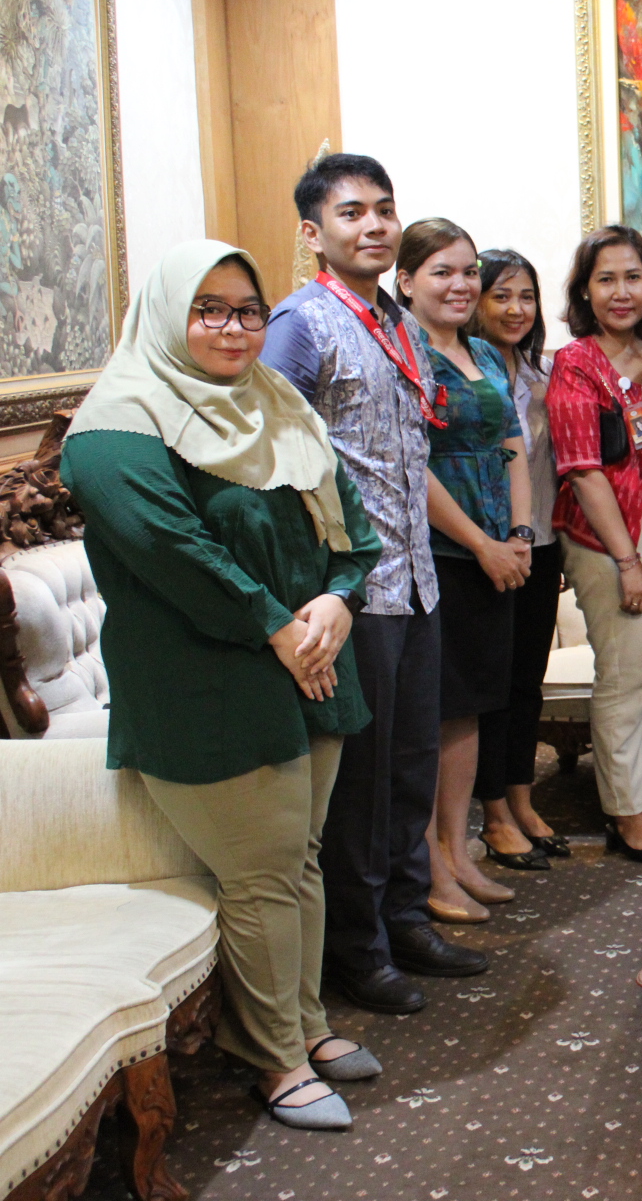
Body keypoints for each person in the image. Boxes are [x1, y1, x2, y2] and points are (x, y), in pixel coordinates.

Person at [64, 240, 384, 1130]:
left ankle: (307, 1023)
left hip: (310, 665)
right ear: (167, 314)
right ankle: (276, 1059)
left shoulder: (276, 404)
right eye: (209, 308)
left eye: (247, 309)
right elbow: (176, 553)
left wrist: (338, 601)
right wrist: (281, 627)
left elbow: (348, 531)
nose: (233, 327)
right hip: (204, 680)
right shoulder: (115, 427)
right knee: (262, 877)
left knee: (300, 859)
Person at [262, 153, 488, 1014]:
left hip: (418, 580)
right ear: (316, 234)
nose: (376, 225)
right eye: (353, 213)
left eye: (385, 210)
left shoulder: (395, 317)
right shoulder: (302, 324)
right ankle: (356, 953)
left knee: (409, 766)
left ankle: (406, 919)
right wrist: (317, 584)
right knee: (359, 784)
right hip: (354, 592)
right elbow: (275, 459)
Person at [394, 219, 534, 921]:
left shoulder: (481, 349)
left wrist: (520, 533)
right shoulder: (404, 353)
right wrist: (482, 543)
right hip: (440, 557)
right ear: (407, 281)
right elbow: (410, 465)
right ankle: (427, 868)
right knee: (431, 713)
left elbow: (512, 444)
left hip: (496, 555)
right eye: (442, 271)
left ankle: (458, 851)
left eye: (468, 270)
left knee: (473, 708)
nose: (460, 284)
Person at [547, 225, 642, 862]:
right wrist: (628, 562)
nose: (621, 291)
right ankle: (623, 813)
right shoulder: (577, 364)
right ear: (585, 291)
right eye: (605, 279)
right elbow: (581, 470)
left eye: (632, 277)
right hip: (612, 544)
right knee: (625, 681)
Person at [469, 248, 569, 862]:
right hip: (483, 553)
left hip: (541, 548)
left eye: (526, 297)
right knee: (491, 688)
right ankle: (493, 812)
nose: (515, 309)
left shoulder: (544, 377)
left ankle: (522, 798)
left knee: (526, 682)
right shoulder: (465, 378)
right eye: (500, 295)